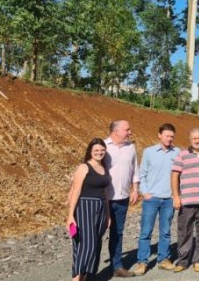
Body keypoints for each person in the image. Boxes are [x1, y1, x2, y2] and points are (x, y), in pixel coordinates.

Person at [134, 123, 180, 276]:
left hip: (169, 199)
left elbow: (181, 175)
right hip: (152, 198)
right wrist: (145, 192)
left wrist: (176, 194)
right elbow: (142, 174)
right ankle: (142, 262)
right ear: (159, 135)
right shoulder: (149, 152)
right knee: (146, 232)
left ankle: (163, 259)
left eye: (172, 136)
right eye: (167, 135)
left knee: (165, 231)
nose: (169, 138)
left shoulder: (178, 152)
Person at [67, 138, 111, 281]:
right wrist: (70, 215)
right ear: (90, 152)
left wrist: (108, 215)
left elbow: (105, 193)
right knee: (87, 244)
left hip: (100, 208)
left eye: (102, 150)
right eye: (96, 150)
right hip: (85, 207)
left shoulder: (104, 168)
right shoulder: (84, 167)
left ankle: (86, 276)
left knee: (96, 243)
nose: (99, 153)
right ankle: (76, 277)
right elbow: (76, 190)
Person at [171, 128, 199, 273]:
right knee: (184, 232)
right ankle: (183, 261)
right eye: (194, 138)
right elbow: (175, 176)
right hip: (186, 201)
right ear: (190, 139)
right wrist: (176, 196)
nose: (197, 140)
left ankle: (198, 260)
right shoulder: (182, 155)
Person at [103, 120, 138, 278]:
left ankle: (117, 266)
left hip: (123, 198)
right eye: (127, 130)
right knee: (97, 234)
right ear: (116, 131)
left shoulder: (130, 147)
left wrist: (135, 189)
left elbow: (134, 170)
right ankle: (89, 270)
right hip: (103, 200)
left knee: (118, 233)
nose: (130, 132)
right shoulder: (103, 146)